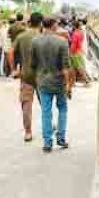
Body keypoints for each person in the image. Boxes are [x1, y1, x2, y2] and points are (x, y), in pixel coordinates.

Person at [30, 16, 72, 153]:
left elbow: (33, 64)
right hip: (59, 82)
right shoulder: (62, 42)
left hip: (43, 82)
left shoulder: (35, 41)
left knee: (46, 113)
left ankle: (47, 143)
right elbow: (66, 66)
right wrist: (68, 86)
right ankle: (61, 138)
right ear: (54, 25)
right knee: (63, 109)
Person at [12, 13, 43, 142]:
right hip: (42, 76)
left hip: (26, 76)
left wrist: (14, 69)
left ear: (30, 22)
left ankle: (28, 132)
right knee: (45, 103)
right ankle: (49, 126)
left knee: (26, 104)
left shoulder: (21, 37)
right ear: (41, 23)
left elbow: (10, 52)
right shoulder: (43, 37)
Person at [69, 20, 88, 87]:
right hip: (79, 51)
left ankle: (86, 81)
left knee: (78, 68)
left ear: (74, 26)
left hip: (75, 52)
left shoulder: (75, 34)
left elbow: (74, 45)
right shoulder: (81, 32)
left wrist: (70, 52)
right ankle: (73, 82)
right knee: (74, 67)